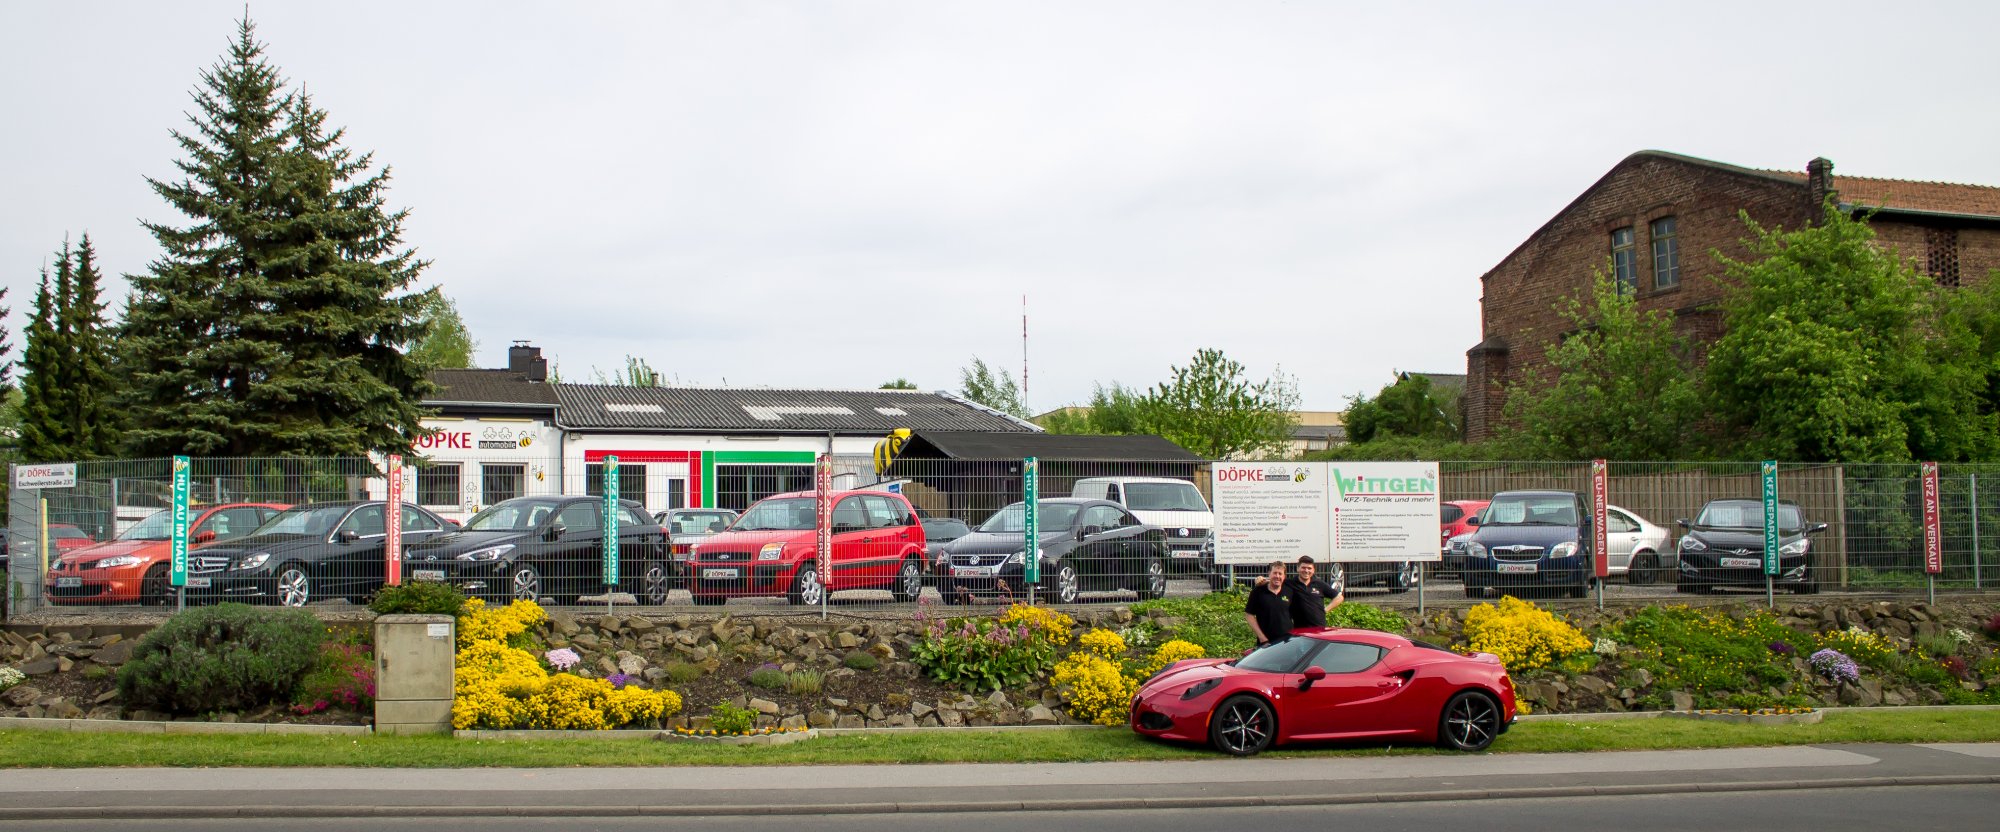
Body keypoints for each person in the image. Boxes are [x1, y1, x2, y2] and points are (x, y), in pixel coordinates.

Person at [1253, 555, 1345, 628]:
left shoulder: (1319, 584)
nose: (1306, 571)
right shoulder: (1290, 583)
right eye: (1303, 568)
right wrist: (1260, 579)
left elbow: (1339, 597)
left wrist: (1325, 610)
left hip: (1319, 629)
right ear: (1298, 568)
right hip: (1299, 630)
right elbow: (1274, 581)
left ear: (1313, 570)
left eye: (1309, 568)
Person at [1242, 560, 1294, 648]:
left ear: (1284, 576)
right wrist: (1262, 638)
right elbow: (1249, 615)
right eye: (1275, 573)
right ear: (1269, 573)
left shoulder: (1289, 591)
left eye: (1280, 574)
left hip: (1287, 642)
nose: (1277, 576)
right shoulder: (1258, 591)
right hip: (1266, 642)